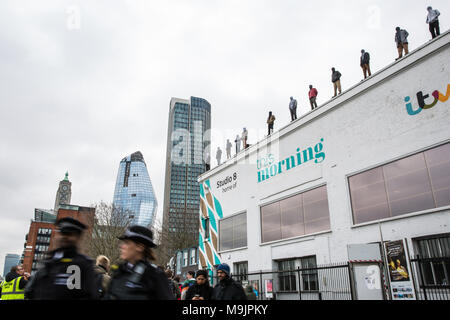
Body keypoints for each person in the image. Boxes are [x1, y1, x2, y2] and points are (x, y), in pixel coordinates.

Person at [25, 217, 99, 300]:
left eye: (70, 234)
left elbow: (89, 295)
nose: (64, 237)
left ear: (78, 238)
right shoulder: (48, 263)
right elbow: (31, 291)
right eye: (62, 233)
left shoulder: (82, 265)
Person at [104, 225, 174, 300]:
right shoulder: (118, 271)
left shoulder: (155, 275)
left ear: (140, 247)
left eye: (127, 243)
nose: (122, 246)